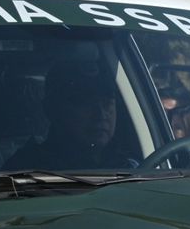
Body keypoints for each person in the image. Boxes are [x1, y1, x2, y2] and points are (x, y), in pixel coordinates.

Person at [7, 64, 137, 171]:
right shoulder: (25, 172)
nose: (101, 115)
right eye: (85, 103)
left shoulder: (133, 168)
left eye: (107, 103)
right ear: (52, 110)